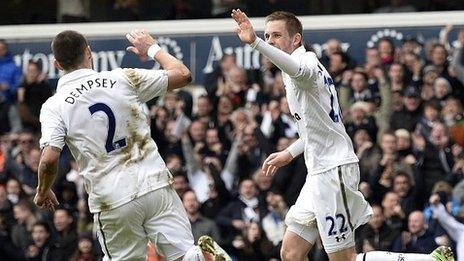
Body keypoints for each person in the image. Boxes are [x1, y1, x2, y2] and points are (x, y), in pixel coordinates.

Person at [231, 9, 454, 261]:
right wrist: (288, 153)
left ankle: (429, 260)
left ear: (296, 39)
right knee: (291, 253)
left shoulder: (307, 62)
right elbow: (318, 129)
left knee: (344, 258)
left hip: (333, 171)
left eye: (276, 35)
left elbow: (299, 71)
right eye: (267, 35)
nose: (270, 40)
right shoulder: (292, 70)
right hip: (318, 172)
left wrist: (256, 43)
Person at [33, 30, 229, 261]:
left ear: (56, 64)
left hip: (113, 199)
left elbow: (48, 159)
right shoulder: (121, 78)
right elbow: (183, 75)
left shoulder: (54, 105)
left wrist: (43, 190)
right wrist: (152, 48)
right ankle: (198, 257)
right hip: (155, 185)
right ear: (88, 52)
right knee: (183, 255)